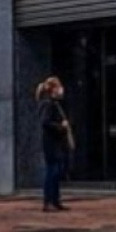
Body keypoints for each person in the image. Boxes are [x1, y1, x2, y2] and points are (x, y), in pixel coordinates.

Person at [37, 77, 72, 212]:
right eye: (58, 87)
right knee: (52, 171)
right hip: (51, 142)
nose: (61, 90)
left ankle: (55, 200)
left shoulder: (55, 103)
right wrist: (60, 127)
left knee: (56, 171)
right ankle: (49, 200)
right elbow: (45, 123)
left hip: (56, 141)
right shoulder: (48, 104)